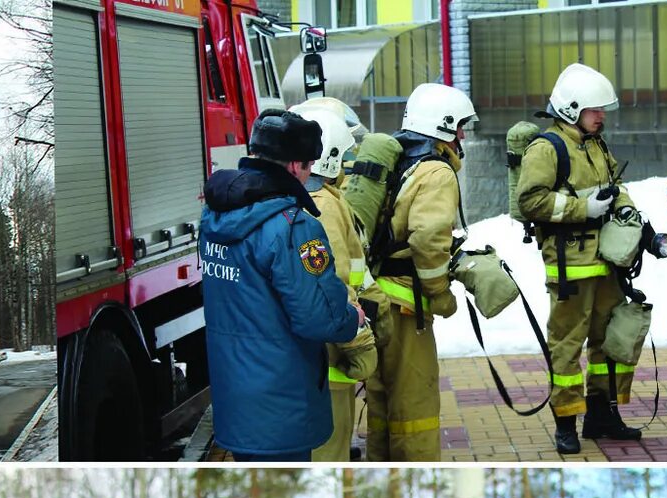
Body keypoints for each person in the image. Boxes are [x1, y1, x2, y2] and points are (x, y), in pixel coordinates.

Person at [195, 108, 356, 462]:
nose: (311, 173)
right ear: (295, 165)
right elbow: (318, 318)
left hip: (236, 401)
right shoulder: (293, 225)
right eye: (310, 164)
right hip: (282, 404)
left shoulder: (214, 216)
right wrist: (352, 317)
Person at [516, 64, 645, 456]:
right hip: (571, 267)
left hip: (607, 262)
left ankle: (602, 415)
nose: (601, 116)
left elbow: (615, 187)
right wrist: (581, 208)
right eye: (595, 110)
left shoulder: (595, 143)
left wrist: (633, 219)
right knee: (567, 346)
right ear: (572, 109)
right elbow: (530, 200)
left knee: (609, 341)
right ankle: (566, 423)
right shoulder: (547, 148)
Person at [365, 83, 473, 461]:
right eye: (459, 126)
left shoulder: (396, 161)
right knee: (415, 407)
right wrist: (440, 295)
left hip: (375, 298)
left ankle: (382, 464)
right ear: (442, 127)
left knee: (381, 403)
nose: (462, 136)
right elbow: (427, 239)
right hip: (406, 307)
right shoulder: (436, 173)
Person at [293, 97, 378, 462]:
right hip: (334, 354)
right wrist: (359, 343)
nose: (348, 165)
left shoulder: (314, 199)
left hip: (316, 354)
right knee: (331, 447)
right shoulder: (323, 206)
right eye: (343, 157)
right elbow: (335, 281)